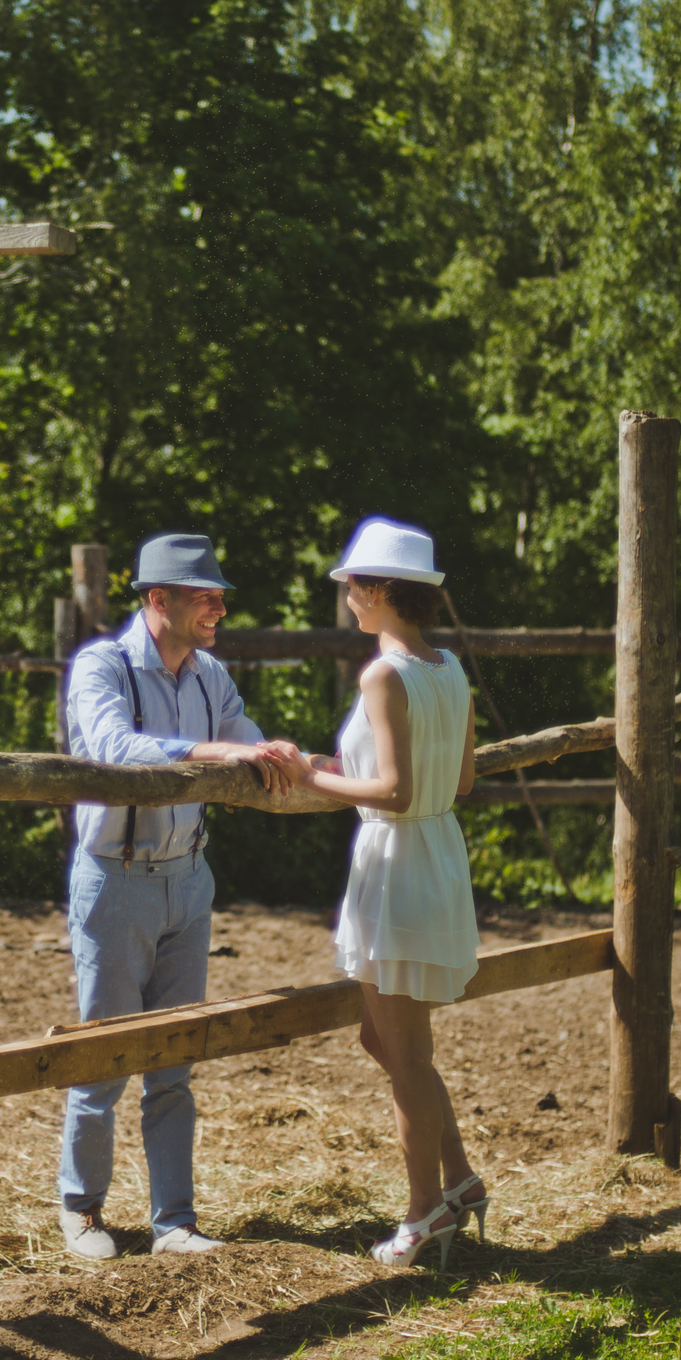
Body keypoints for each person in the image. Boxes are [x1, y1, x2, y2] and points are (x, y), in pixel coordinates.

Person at [56, 532, 299, 1260]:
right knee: (104, 1056)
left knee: (175, 1060)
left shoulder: (208, 675)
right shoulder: (101, 666)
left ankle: (175, 1221)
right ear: (157, 599)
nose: (219, 606)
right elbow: (112, 747)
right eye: (205, 595)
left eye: (217, 595)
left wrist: (278, 754)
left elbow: (244, 740)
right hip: (115, 879)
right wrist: (219, 753)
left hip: (189, 882)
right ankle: (83, 1211)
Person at [286, 517, 485, 1268]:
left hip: (395, 859)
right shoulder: (449, 668)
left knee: (405, 1055)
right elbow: (458, 781)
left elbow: (392, 791)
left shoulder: (383, 673)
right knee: (388, 1040)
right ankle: (459, 1180)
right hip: (434, 853)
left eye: (350, 587)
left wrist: (313, 777)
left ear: (374, 590)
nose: (346, 599)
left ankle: (423, 1209)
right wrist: (340, 765)